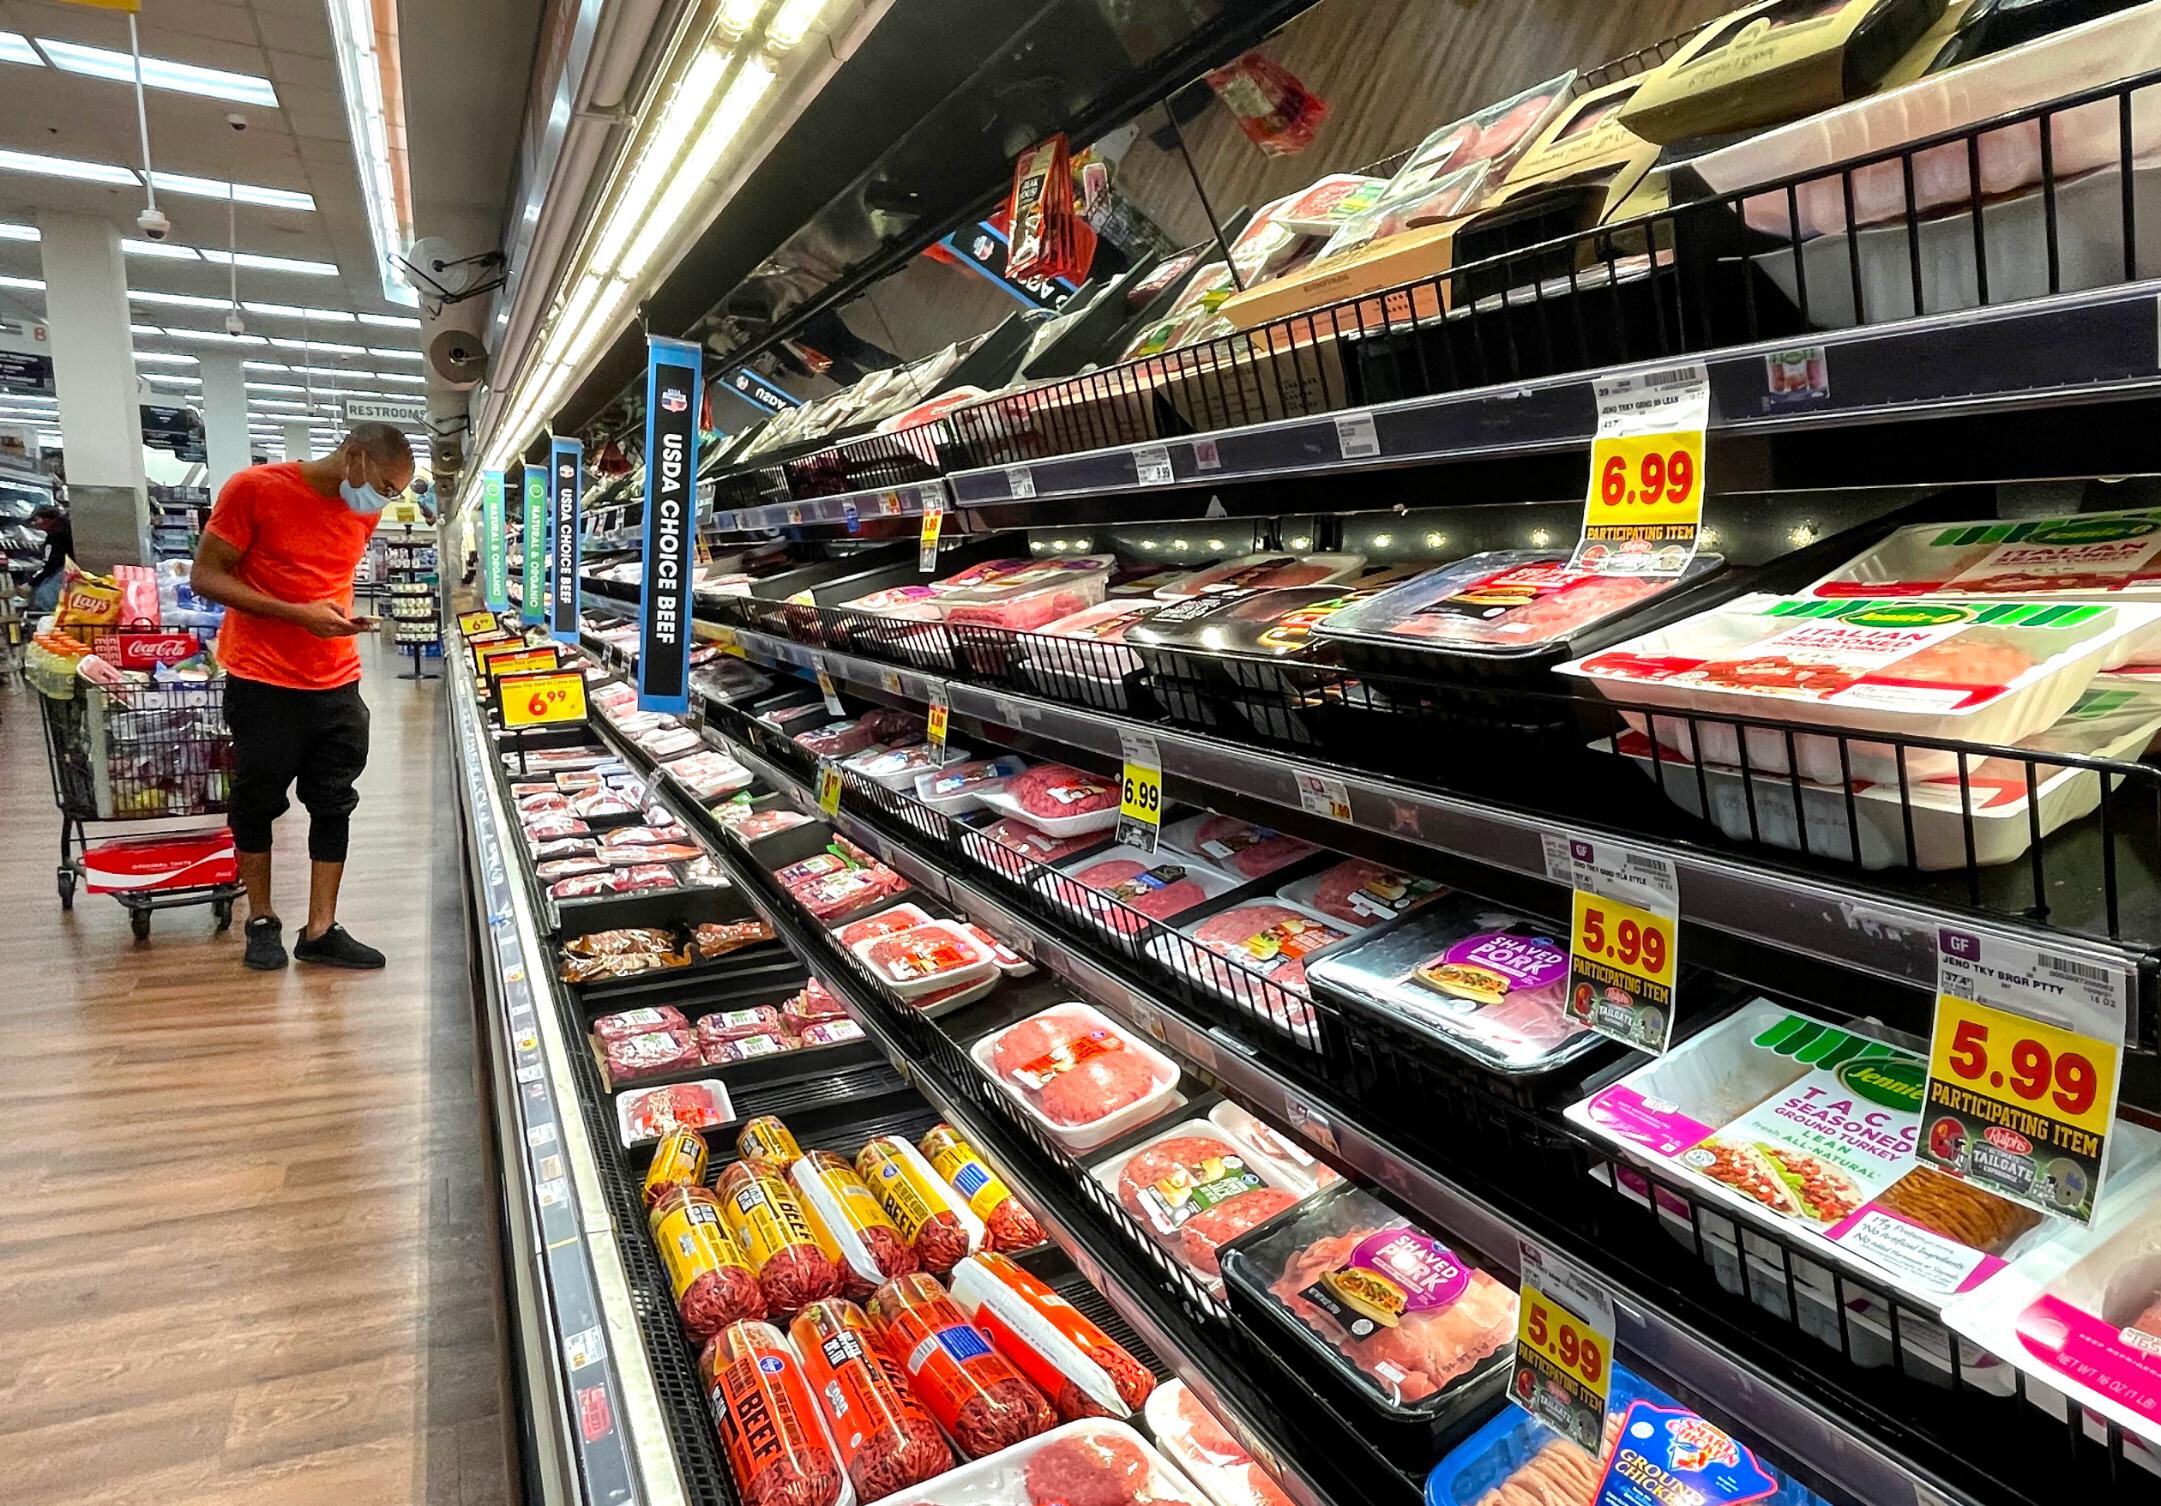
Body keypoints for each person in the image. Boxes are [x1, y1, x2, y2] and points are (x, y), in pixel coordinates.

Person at [190, 423, 415, 971]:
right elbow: (205, 576)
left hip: (337, 679)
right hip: (263, 678)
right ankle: (261, 919)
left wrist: (337, 617)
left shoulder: (364, 511)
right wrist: (297, 616)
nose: (385, 500)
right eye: (385, 486)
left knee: (334, 799)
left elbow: (326, 577)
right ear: (354, 456)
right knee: (258, 799)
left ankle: (320, 930)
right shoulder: (254, 489)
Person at [26, 500, 69, 614]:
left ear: (48, 519)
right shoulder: (52, 535)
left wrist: (33, 583)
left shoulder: (61, 533)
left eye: (37, 520)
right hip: (60, 568)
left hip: (66, 568)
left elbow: (54, 563)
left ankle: (52, 615)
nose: (36, 524)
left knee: (44, 593)